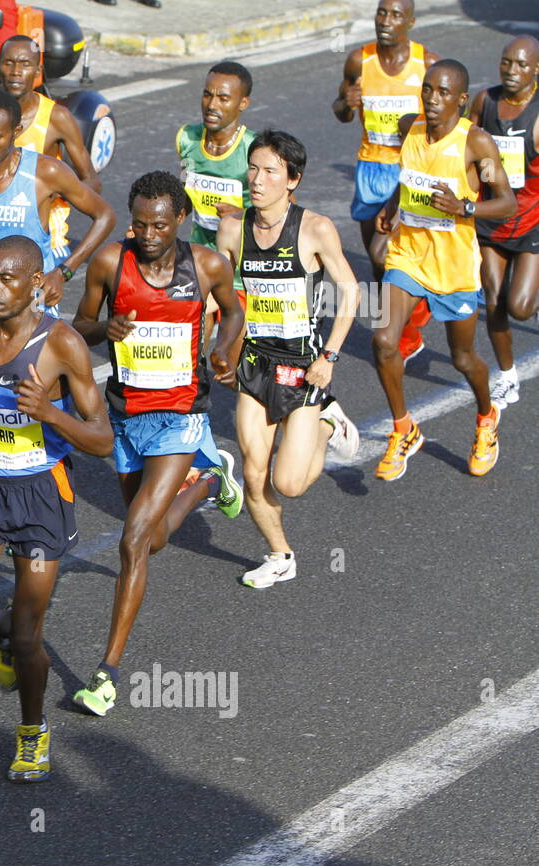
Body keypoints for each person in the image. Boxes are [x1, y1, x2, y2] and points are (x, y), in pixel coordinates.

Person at [0, 236, 114, 782]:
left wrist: (51, 416)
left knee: (34, 636)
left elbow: (103, 439)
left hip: (40, 497)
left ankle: (32, 733)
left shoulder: (61, 346)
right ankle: (6, 630)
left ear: (37, 284)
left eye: (7, 278)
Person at [70, 171, 245, 716]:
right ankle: (212, 479)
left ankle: (106, 673)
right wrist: (107, 331)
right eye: (139, 224)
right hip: (126, 414)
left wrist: (226, 346)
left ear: (182, 221)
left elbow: (235, 307)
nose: (147, 234)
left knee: (131, 542)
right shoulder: (109, 264)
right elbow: (79, 325)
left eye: (160, 225)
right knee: (156, 539)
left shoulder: (207, 265)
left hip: (181, 415)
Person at [215, 130, 362, 588]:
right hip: (256, 364)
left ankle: (325, 421)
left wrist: (331, 356)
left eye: (270, 172)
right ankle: (280, 555)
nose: (257, 180)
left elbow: (352, 290)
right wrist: (214, 348)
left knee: (289, 484)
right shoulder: (234, 229)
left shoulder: (314, 228)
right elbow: (219, 296)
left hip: (304, 367)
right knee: (254, 474)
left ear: (292, 180)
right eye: (253, 168)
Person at [373, 60, 517, 480]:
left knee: (462, 357)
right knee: (384, 340)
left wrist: (465, 207)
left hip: (454, 266)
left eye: (442, 93)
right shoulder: (408, 127)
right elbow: (410, 175)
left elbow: (506, 203)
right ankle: (404, 429)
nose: (432, 100)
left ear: (462, 100)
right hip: (408, 254)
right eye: (427, 90)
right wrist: (392, 205)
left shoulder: (477, 143)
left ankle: (486, 417)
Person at [0, 88, 116, 315]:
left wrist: (63, 271)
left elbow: (105, 216)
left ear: (16, 132)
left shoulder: (46, 172)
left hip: (32, 307)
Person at [334, 0, 438, 363]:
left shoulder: (427, 64)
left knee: (386, 251)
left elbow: (452, 121)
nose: (386, 21)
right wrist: (346, 103)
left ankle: (403, 330)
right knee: (376, 261)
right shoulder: (358, 61)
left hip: (408, 172)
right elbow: (341, 111)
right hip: (369, 168)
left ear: (410, 21)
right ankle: (400, 329)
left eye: (395, 15)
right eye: (381, 13)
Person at [0, 35, 103, 262]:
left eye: (25, 64)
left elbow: (92, 181)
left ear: (38, 70)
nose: (16, 72)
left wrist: (55, 190)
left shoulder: (57, 117)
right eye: (9, 63)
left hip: (43, 235)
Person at [469, 35, 539, 409]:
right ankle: (507, 376)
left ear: (537, 69)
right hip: (492, 217)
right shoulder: (486, 101)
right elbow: (460, 142)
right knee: (494, 299)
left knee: (521, 307)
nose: (512, 71)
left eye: (522, 65)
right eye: (507, 62)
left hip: (532, 220)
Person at [176, 61, 257, 256]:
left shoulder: (256, 149)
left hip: (243, 263)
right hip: (200, 256)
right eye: (207, 95)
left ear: (243, 103)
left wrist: (242, 217)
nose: (212, 105)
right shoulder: (187, 139)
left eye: (223, 98)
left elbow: (286, 214)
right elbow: (186, 185)